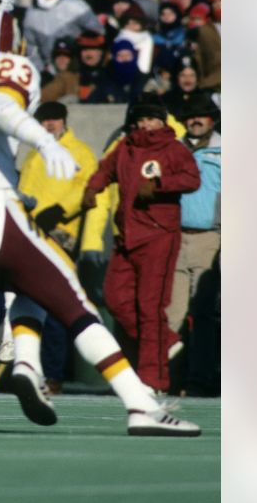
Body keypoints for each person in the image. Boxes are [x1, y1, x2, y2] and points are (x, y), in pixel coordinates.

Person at [0, 0, 200, 436]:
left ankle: (27, 366)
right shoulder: (5, 66)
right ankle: (140, 404)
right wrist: (44, 139)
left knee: (29, 288)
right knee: (78, 307)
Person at [81, 98, 201, 395]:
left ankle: (153, 381)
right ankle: (167, 342)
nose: (146, 124)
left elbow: (192, 179)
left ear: (163, 122)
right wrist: (93, 187)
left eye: (152, 119)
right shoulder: (125, 146)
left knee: (150, 308)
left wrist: (160, 185)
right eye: (142, 119)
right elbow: (105, 169)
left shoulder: (174, 149)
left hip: (158, 236)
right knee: (115, 298)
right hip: (127, 237)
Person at [17, 102, 98, 391]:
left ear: (64, 121)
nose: (49, 124)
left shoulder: (80, 152)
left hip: (59, 232)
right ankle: (29, 369)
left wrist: (59, 211)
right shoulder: (34, 152)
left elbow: (87, 189)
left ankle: (53, 374)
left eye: (53, 119)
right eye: (44, 120)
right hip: (29, 232)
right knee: (27, 304)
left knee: (53, 305)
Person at [170, 95, 221, 391]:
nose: (196, 120)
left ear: (212, 119)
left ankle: (200, 378)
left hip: (209, 238)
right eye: (190, 116)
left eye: (202, 115)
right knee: (173, 313)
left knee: (202, 312)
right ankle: (173, 377)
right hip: (176, 237)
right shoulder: (174, 149)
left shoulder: (225, 149)